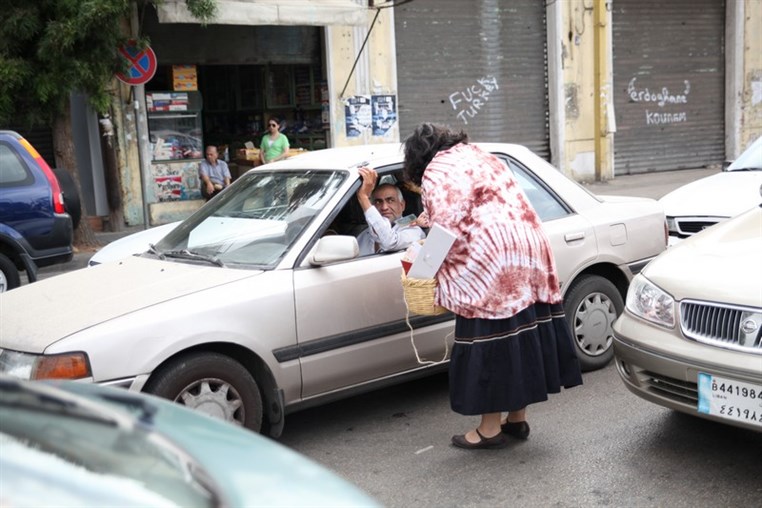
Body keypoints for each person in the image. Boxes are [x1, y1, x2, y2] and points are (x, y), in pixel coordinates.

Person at [402, 123, 583, 450]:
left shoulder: (437, 170)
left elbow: (445, 230)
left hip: (490, 261)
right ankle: (516, 420)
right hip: (528, 249)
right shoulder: (480, 156)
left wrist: (422, 269)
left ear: (417, 158)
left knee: (489, 342)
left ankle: (488, 430)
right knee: (521, 334)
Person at [355, 167, 425, 255]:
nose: (384, 207)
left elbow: (389, 242)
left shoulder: (413, 231)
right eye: (378, 202)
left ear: (402, 205)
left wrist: (363, 197)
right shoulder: (363, 236)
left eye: (390, 200)